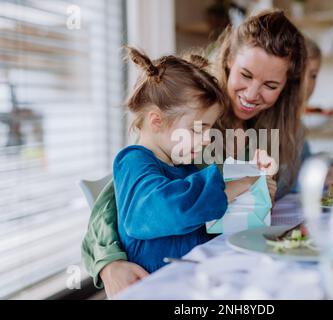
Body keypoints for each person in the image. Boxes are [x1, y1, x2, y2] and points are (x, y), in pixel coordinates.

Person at [81, 9, 309, 297]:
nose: (252, 93)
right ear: (228, 61)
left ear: (285, 88)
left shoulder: (280, 134)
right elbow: (114, 209)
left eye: (270, 85)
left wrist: (260, 197)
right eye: (246, 75)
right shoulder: (189, 109)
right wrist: (109, 264)